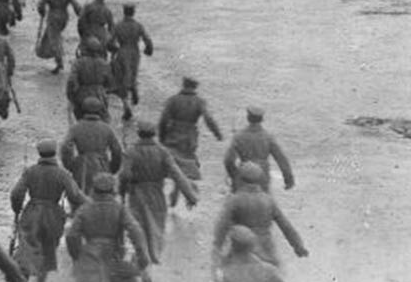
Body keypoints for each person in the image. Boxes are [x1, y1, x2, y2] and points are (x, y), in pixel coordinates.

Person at [65, 173, 149, 282]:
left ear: (93, 190)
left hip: (89, 256)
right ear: (113, 190)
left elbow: (71, 235)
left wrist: (77, 254)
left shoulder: (84, 209)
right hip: (111, 256)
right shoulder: (119, 209)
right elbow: (136, 230)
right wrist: (142, 254)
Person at [10, 138, 86, 282]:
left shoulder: (30, 171)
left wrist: (17, 209)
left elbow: (17, 193)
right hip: (53, 217)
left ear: (40, 153)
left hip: (32, 215)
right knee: (48, 253)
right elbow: (75, 196)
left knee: (26, 251)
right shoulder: (62, 174)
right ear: (54, 153)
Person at [119, 122, 197, 265]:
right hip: (157, 195)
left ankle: (141, 260)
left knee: (138, 228)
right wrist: (190, 195)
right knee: (156, 228)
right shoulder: (162, 152)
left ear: (139, 133)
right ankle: (154, 259)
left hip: (137, 195)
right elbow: (177, 174)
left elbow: (124, 175)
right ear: (153, 134)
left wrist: (122, 193)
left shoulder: (131, 152)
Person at [213, 163, 309, 266]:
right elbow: (285, 225)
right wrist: (298, 246)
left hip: (243, 248)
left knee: (229, 275)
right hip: (266, 249)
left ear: (239, 179)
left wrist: (217, 247)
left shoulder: (235, 200)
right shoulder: (268, 200)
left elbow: (222, 226)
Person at [158, 76, 225, 206]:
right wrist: (217, 133)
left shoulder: (173, 100)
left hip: (173, 135)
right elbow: (208, 119)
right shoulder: (199, 102)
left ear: (183, 84)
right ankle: (179, 189)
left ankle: (177, 189)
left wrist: (162, 136)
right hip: (189, 138)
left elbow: (163, 120)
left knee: (171, 163)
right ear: (195, 87)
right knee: (185, 165)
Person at [224, 107, 295, 193]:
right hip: (262, 174)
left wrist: (234, 175)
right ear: (261, 119)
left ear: (248, 118)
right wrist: (288, 179)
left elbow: (228, 160)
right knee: (263, 202)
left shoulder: (238, 136)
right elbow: (281, 158)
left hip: (243, 174)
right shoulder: (268, 137)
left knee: (240, 202)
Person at [61, 99, 123, 194]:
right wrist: (112, 168)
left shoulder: (76, 128)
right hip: (102, 166)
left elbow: (66, 147)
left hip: (82, 168)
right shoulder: (106, 128)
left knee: (81, 199)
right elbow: (117, 150)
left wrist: (71, 165)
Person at [107, 5, 153, 121]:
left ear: (124, 12)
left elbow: (110, 41)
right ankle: (133, 87)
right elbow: (147, 39)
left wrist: (113, 49)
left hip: (122, 52)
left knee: (121, 79)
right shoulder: (138, 26)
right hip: (135, 53)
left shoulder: (118, 25)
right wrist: (148, 49)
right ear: (133, 12)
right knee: (133, 73)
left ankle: (126, 106)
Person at [35, 0, 80, 74]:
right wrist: (80, 13)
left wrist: (41, 12)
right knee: (56, 36)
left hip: (53, 16)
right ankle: (56, 55)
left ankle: (59, 62)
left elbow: (41, 5)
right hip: (64, 17)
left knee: (54, 38)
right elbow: (76, 6)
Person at [65, 39, 113, 122]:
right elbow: (110, 82)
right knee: (103, 120)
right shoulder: (104, 64)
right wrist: (103, 90)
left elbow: (72, 81)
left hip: (82, 94)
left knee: (81, 120)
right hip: (100, 94)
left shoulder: (78, 63)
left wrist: (71, 96)